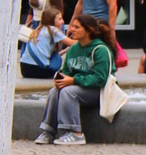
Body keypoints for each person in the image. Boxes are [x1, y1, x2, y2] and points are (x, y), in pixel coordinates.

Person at [38, 12, 112, 144]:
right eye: (72, 26)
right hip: (78, 88)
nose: (72, 30)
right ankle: (48, 132)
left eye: (77, 27)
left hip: (96, 91)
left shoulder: (100, 49)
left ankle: (75, 133)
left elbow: (100, 79)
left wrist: (73, 81)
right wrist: (62, 80)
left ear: (88, 31)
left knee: (68, 91)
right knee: (54, 92)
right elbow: (67, 72)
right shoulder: (72, 49)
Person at [18, 6, 66, 80]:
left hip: (24, 68)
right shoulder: (53, 30)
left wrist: (67, 49)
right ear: (52, 20)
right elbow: (71, 43)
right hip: (38, 69)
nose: (63, 21)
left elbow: (51, 56)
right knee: (63, 72)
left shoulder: (39, 30)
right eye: (60, 19)